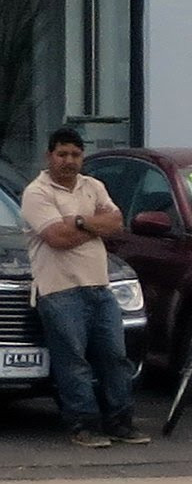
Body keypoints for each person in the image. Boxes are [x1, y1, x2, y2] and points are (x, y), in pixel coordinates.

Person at [19, 127, 148, 448]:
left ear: (82, 157)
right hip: (59, 291)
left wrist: (77, 221)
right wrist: (93, 225)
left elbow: (116, 223)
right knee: (73, 362)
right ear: (49, 156)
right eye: (62, 154)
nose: (69, 161)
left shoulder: (94, 186)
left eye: (75, 155)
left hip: (100, 288)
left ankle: (120, 423)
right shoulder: (37, 193)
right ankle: (84, 426)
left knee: (115, 358)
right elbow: (57, 239)